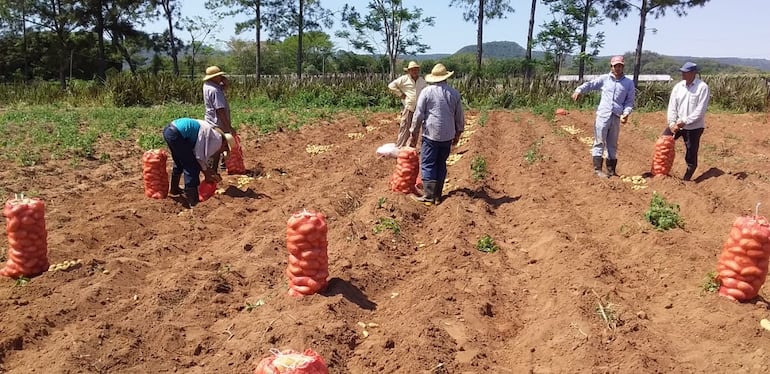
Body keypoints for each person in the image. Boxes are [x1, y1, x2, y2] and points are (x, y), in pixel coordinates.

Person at [408, 63, 464, 205]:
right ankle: (438, 196)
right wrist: (458, 133)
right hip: (448, 134)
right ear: (446, 78)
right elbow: (459, 117)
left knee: (428, 162)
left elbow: (419, 114)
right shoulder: (454, 93)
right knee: (441, 163)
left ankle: (429, 195)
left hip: (431, 133)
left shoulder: (427, 92)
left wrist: (413, 133)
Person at [571, 55, 636, 178]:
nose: (618, 68)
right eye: (615, 66)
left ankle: (611, 171)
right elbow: (590, 85)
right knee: (599, 142)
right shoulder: (605, 79)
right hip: (603, 115)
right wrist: (579, 90)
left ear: (623, 67)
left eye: (620, 66)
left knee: (612, 144)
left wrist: (626, 113)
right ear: (611, 66)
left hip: (616, 116)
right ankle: (598, 170)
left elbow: (629, 101)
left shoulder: (628, 83)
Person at [163, 118, 235, 207]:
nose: (221, 152)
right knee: (192, 167)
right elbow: (199, 157)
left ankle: (174, 189)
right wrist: (207, 173)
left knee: (179, 162)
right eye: (224, 149)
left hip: (169, 131)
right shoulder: (217, 141)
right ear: (225, 144)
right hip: (178, 134)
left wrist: (207, 170)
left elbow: (198, 154)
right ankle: (192, 200)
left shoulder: (212, 134)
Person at [661, 61, 710, 181]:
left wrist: (685, 121)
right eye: (682, 72)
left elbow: (700, 111)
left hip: (694, 127)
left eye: (685, 72)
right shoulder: (678, 87)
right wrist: (672, 123)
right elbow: (672, 106)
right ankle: (660, 171)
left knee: (691, 152)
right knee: (663, 143)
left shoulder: (702, 87)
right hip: (677, 124)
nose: (682, 74)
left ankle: (687, 177)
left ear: (693, 73)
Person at [388, 61, 427, 148]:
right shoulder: (404, 79)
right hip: (409, 107)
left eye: (416, 70)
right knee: (405, 127)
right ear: (409, 71)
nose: (415, 71)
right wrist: (401, 94)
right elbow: (391, 86)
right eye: (412, 70)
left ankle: (411, 147)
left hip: (419, 108)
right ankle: (400, 147)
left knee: (415, 129)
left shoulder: (422, 81)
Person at [203, 66, 234, 171]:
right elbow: (220, 110)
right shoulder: (215, 90)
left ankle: (215, 167)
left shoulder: (207, 85)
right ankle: (214, 169)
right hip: (218, 122)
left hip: (210, 120)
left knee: (214, 145)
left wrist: (225, 83)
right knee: (219, 145)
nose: (221, 77)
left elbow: (223, 86)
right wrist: (229, 127)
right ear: (213, 77)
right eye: (219, 76)